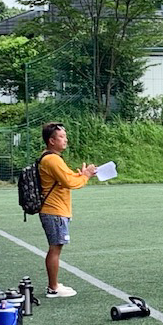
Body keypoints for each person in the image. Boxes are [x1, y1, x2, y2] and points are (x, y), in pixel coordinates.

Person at [39, 122, 97, 298]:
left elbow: (68, 176)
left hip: (56, 210)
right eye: (61, 137)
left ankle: (54, 285)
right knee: (55, 248)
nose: (65, 140)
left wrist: (82, 174)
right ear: (51, 141)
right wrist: (86, 176)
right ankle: (53, 287)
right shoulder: (52, 159)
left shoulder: (51, 158)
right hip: (54, 210)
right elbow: (70, 182)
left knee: (56, 248)